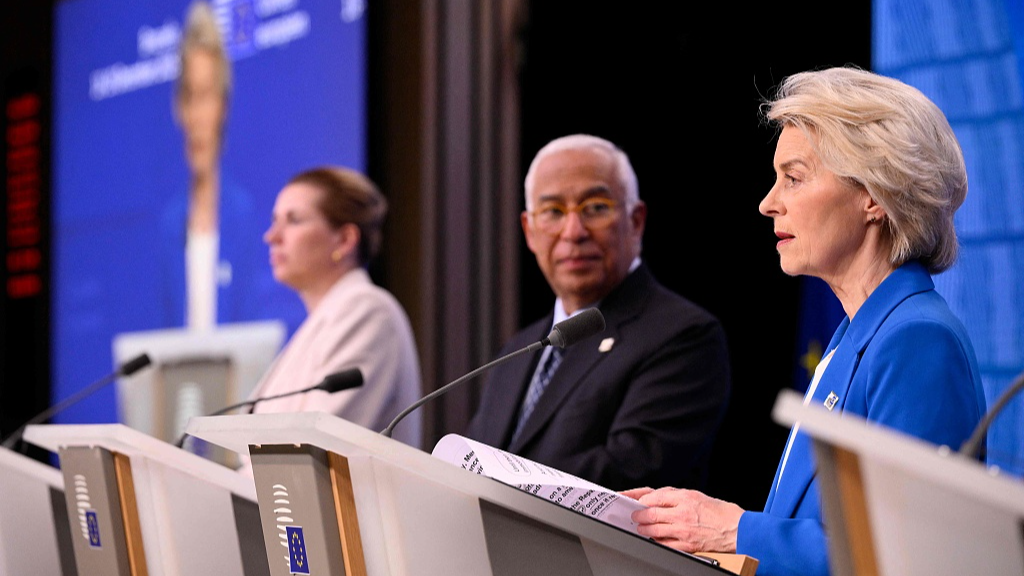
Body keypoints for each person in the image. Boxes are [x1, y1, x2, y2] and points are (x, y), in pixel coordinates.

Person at [625, 66, 987, 576]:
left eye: (793, 178)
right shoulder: (858, 333)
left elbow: (903, 558)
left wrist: (734, 529)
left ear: (872, 195)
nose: (768, 202)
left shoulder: (917, 340)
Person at [464, 134, 731, 491]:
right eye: (553, 212)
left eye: (595, 208)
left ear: (636, 221)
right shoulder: (518, 350)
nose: (573, 232)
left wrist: (498, 486)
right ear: (529, 231)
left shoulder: (683, 336)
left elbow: (629, 473)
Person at [243, 166, 423, 454]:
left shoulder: (368, 313)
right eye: (275, 220)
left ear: (344, 240)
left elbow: (312, 450)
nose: (272, 236)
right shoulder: (322, 323)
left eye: (293, 220)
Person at [161, 0, 268, 329]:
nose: (196, 117)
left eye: (205, 96)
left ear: (222, 106)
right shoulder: (168, 223)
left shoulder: (244, 214)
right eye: (188, 97)